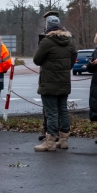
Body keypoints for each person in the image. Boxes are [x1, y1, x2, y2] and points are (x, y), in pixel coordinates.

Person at [33, 14, 77, 152]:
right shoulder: (70, 41)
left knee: (51, 112)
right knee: (63, 110)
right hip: (64, 81)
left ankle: (50, 141)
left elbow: (36, 60)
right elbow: (72, 59)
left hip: (49, 81)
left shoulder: (47, 41)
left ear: (47, 27)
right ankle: (63, 140)